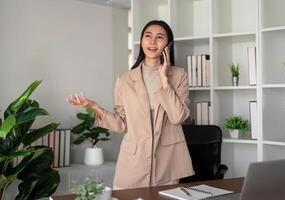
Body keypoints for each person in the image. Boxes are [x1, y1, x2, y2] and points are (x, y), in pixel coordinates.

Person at [67, 20, 194, 189]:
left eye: (159, 37)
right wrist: (94, 106)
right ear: (141, 41)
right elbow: (121, 125)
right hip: (133, 163)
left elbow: (178, 116)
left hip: (167, 163)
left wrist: (164, 80)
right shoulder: (125, 80)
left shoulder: (179, 76)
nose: (153, 41)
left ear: (168, 45)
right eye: (148, 36)